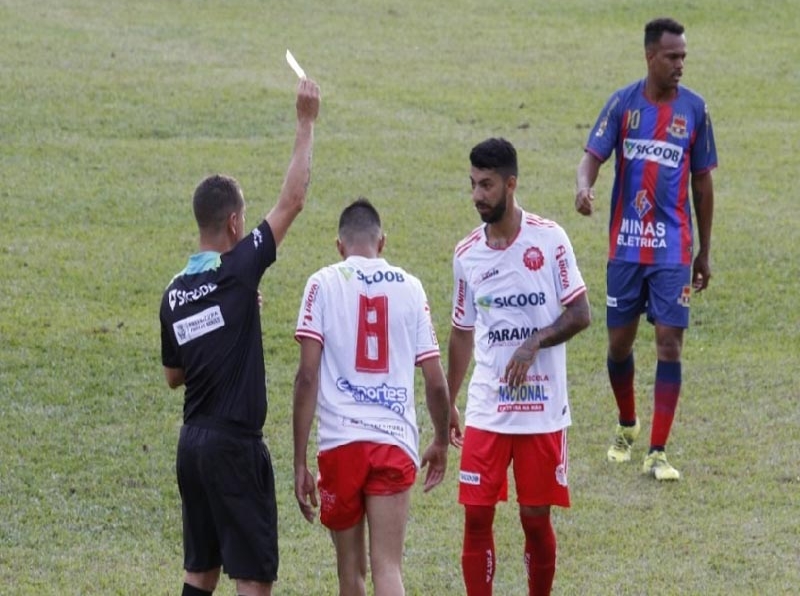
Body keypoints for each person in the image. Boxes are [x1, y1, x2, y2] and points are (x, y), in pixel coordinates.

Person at [159, 77, 321, 596]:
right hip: (233, 447)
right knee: (253, 578)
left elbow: (173, 376)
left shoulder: (174, 292)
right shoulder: (236, 270)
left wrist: (227, 322)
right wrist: (305, 121)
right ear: (234, 224)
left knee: (199, 573)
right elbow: (293, 200)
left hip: (193, 445)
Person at [575, 17, 718, 481]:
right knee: (619, 344)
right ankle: (627, 423)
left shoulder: (695, 110)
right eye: (672, 56)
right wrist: (584, 188)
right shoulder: (623, 104)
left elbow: (703, 183)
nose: (680, 64)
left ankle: (658, 450)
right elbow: (592, 156)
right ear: (650, 56)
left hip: (674, 250)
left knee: (669, 346)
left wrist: (705, 251)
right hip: (626, 248)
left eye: (683, 57)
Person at [447, 138, 591, 596]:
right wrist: (448, 402)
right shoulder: (466, 255)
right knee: (476, 515)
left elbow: (580, 312)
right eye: (473, 185)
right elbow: (461, 332)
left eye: (487, 185)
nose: (477, 196)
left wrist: (535, 342)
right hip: (488, 406)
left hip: (542, 407)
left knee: (534, 518)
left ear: (511, 183)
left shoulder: (549, 240)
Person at [292, 198, 450, 596]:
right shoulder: (411, 288)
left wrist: (298, 462)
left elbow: (307, 376)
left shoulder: (321, 283)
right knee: (388, 569)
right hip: (393, 442)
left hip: (340, 446)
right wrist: (441, 440)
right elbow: (435, 382)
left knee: (351, 575)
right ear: (382, 243)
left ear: (339, 245)